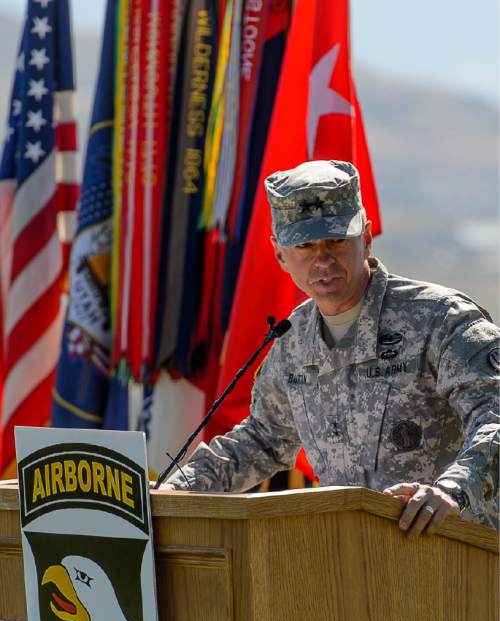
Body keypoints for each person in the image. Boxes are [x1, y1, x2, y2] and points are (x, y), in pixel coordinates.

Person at [163, 160, 499, 538]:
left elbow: (494, 414)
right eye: (305, 245)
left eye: (336, 240)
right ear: (279, 254)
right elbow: (260, 439)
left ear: (366, 238)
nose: (322, 259)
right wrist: (174, 491)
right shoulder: (293, 341)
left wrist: (451, 490)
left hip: (454, 556)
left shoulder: (439, 319)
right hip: (346, 565)